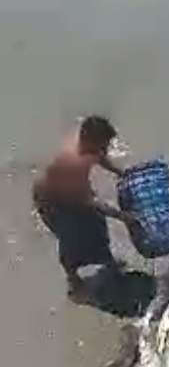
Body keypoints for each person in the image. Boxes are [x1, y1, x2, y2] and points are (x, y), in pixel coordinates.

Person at [33, 116, 130, 299]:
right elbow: (92, 203)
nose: (105, 149)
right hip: (53, 201)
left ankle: (108, 262)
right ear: (90, 142)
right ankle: (74, 281)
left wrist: (120, 172)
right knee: (71, 238)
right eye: (103, 144)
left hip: (71, 189)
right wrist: (123, 216)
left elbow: (99, 157)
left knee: (98, 226)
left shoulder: (88, 144)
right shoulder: (73, 164)